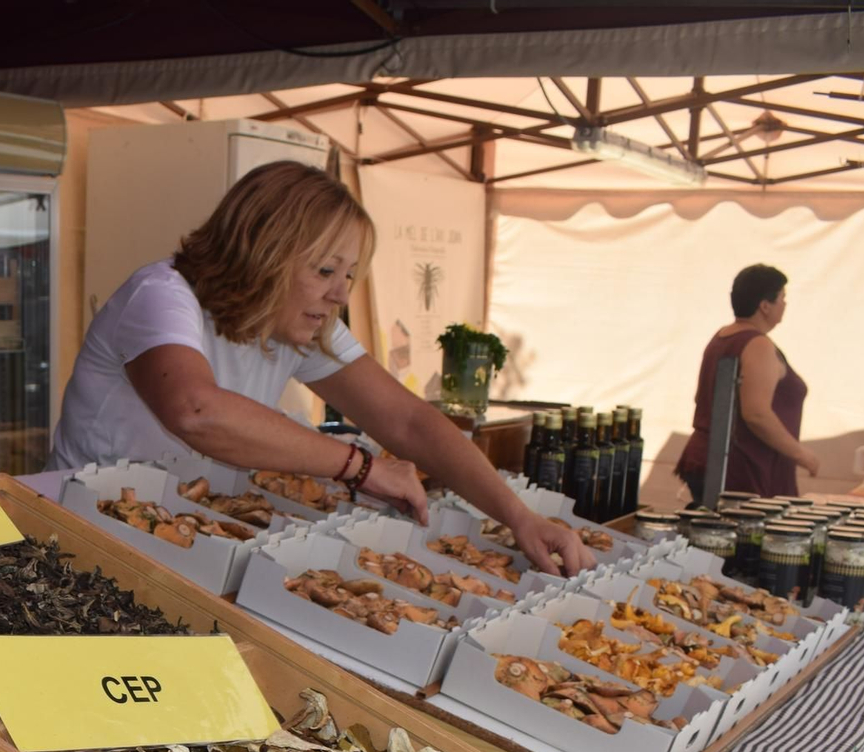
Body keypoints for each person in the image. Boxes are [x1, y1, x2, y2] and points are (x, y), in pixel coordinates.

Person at [50, 161, 589, 576]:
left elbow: (407, 421)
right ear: (263, 254)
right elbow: (196, 411)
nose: (340, 294)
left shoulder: (297, 320)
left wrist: (519, 517)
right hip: (83, 533)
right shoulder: (161, 296)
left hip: (180, 539)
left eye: (350, 274)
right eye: (325, 269)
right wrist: (359, 467)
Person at [675, 263, 816, 499]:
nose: (785, 304)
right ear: (765, 306)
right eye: (782, 297)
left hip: (716, 458)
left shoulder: (722, 336)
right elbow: (757, 414)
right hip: (743, 467)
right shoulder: (757, 344)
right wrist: (802, 455)